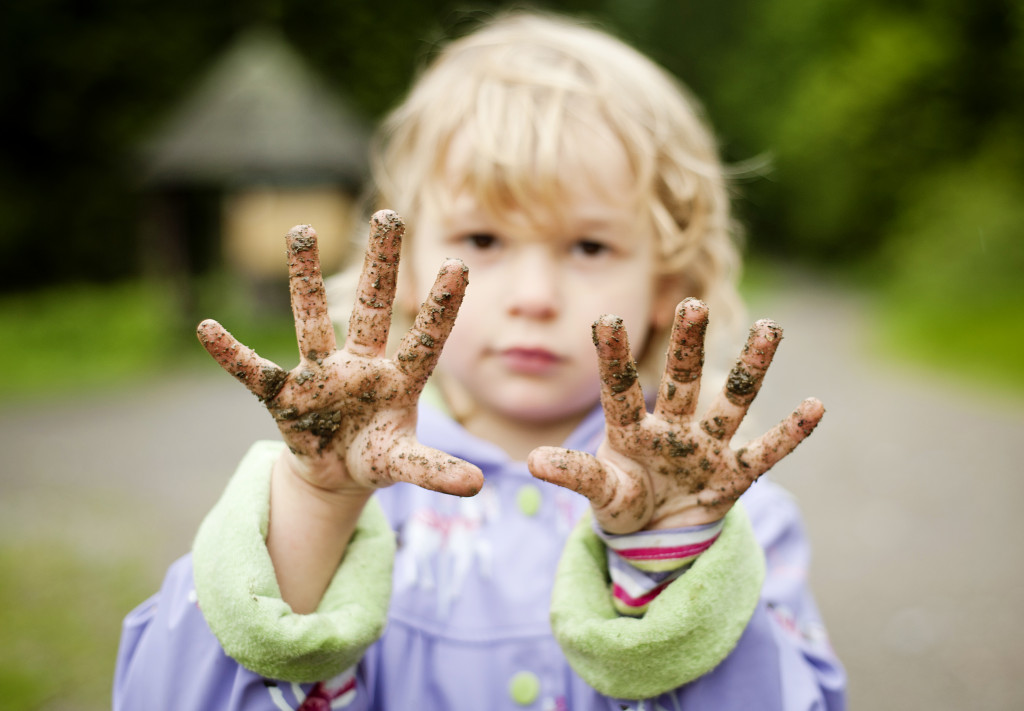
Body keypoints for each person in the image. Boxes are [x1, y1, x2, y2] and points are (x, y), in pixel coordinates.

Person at [114, 11, 846, 710]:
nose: (533, 295)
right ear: (402, 263)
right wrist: (317, 502)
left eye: (589, 246)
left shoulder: (726, 512)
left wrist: (670, 553)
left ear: (669, 285)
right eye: (485, 241)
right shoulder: (352, 493)